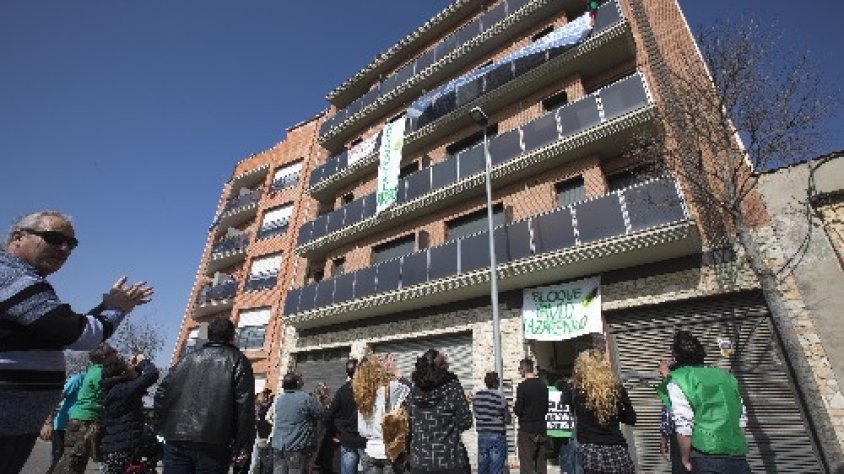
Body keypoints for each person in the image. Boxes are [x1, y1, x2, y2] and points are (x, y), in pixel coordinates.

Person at [0, 210, 153, 474]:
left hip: (14, 421)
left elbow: (64, 328)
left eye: (71, 243)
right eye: (54, 238)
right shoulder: (14, 278)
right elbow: (80, 335)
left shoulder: (22, 281)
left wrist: (107, 306)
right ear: (18, 237)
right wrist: (118, 309)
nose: (64, 248)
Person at [154, 318, 255, 474]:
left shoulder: (185, 359)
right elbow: (244, 407)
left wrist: (161, 426)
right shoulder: (238, 361)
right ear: (232, 336)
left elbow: (161, 393)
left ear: (208, 336)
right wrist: (244, 445)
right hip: (214, 442)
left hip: (177, 438)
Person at [659, 331, 750, 473]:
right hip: (737, 457)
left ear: (676, 357)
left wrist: (684, 458)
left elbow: (684, 425)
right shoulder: (726, 376)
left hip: (705, 456)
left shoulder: (679, 379)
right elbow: (741, 417)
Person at [562, 350, 636, 474]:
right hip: (616, 453)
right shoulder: (616, 390)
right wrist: (623, 404)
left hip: (589, 454)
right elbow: (631, 419)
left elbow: (565, 403)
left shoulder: (575, 391)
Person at [53, 343, 119, 473]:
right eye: (113, 352)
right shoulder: (101, 373)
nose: (116, 353)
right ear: (106, 356)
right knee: (73, 462)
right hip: (84, 422)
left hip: (83, 421)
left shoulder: (95, 370)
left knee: (74, 462)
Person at [408, 349, 472, 474]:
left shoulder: (415, 390)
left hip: (420, 462)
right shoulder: (453, 387)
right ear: (444, 367)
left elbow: (411, 420)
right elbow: (465, 422)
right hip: (450, 461)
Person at [99, 353, 160, 474]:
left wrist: (133, 367)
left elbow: (137, 380)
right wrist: (143, 361)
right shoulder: (123, 390)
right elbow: (151, 375)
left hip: (114, 446)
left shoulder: (113, 389)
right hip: (123, 448)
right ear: (122, 373)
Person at [353, 354, 411, 474]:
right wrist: (395, 372)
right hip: (389, 450)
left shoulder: (361, 394)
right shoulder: (389, 389)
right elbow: (409, 390)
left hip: (369, 451)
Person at [272, 372, 326, 474]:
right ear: (297, 382)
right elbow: (322, 413)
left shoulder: (280, 399)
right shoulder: (305, 398)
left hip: (278, 446)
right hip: (296, 447)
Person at [324, 358, 366, 474]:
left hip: (348, 440)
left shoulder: (342, 391)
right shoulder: (368, 390)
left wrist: (334, 434)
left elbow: (329, 415)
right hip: (365, 441)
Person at [41, 371, 85, 474]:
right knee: (59, 461)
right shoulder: (79, 379)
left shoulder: (103, 381)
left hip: (80, 428)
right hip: (62, 426)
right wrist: (48, 422)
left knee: (73, 463)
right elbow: (56, 398)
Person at [514, 358, 549, 474]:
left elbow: (518, 410)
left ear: (524, 369)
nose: (519, 372)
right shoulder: (543, 385)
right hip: (541, 428)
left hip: (527, 430)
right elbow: (546, 408)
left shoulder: (522, 387)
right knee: (541, 463)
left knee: (526, 464)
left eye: (520, 369)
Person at [472, 371, 510, 474]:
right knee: (496, 469)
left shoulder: (477, 397)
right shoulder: (500, 398)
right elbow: (507, 419)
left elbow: (476, 414)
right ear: (495, 383)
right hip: (497, 436)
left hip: (482, 435)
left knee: (483, 467)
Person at [251, 389, 275, 474]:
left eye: (266, 396)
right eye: (264, 396)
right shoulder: (256, 408)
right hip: (257, 436)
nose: (265, 398)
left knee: (261, 459)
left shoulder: (265, 408)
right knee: (256, 459)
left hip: (262, 437)